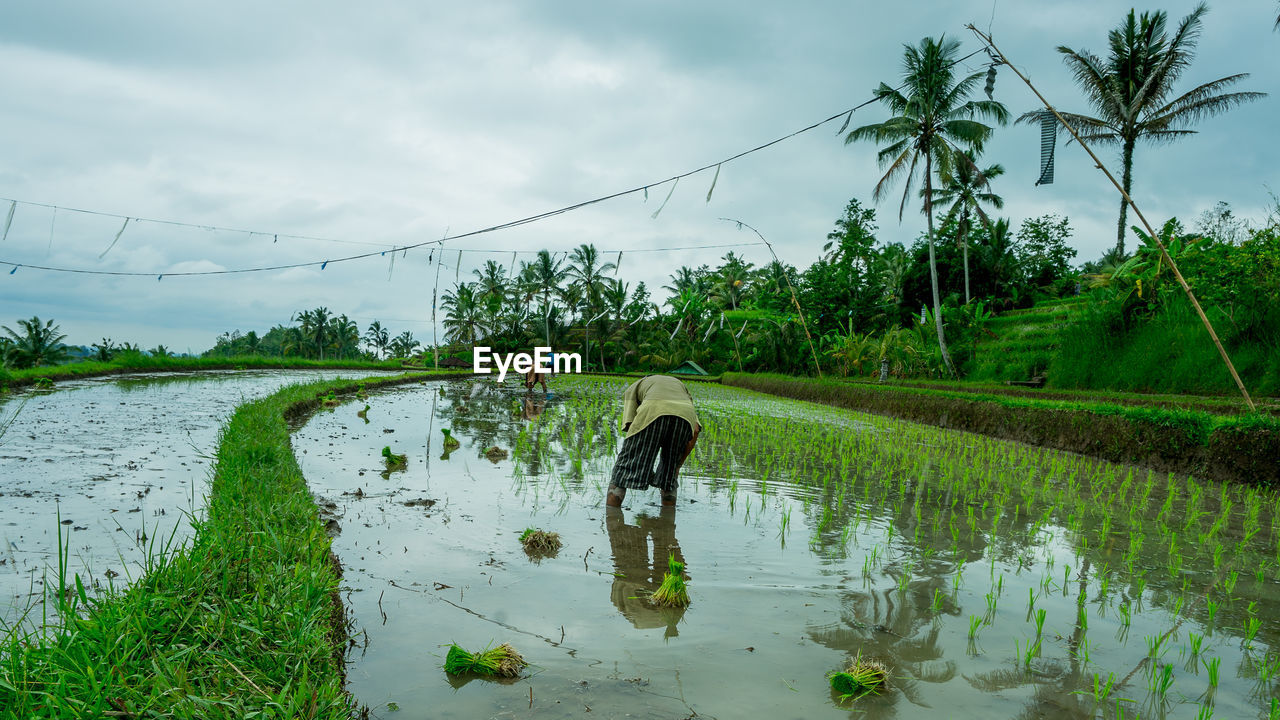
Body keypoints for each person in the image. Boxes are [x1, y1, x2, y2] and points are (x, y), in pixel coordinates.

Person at [606, 375, 700, 508]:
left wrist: (637, 461)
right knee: (669, 477)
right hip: (684, 418)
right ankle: (666, 523)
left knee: (622, 472)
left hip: (652, 410)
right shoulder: (682, 390)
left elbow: (630, 426)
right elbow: (695, 430)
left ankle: (612, 516)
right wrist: (677, 465)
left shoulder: (633, 388)